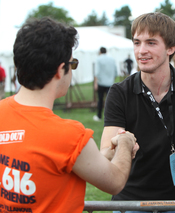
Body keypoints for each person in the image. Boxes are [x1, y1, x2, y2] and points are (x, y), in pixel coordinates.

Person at [0, 17, 138, 213]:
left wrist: (103, 155)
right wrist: (126, 142)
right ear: (59, 70)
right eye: (72, 64)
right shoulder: (69, 135)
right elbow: (115, 182)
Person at [100, 12, 175, 207]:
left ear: (171, 48)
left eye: (151, 43)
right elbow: (105, 153)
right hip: (130, 203)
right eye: (137, 43)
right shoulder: (120, 92)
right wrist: (117, 146)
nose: (141, 51)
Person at [93, 47, 118, 121]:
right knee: (110, 101)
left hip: (101, 83)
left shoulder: (98, 59)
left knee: (100, 100)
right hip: (110, 83)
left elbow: (96, 72)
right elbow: (115, 72)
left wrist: (95, 83)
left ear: (100, 52)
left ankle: (99, 116)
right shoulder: (112, 59)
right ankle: (111, 117)